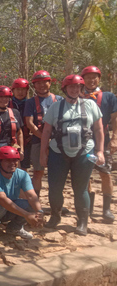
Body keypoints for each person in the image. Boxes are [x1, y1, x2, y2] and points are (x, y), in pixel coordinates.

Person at [41, 75, 105, 236]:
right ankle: (55, 216)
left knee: (81, 188)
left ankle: (82, 221)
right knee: (55, 189)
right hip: (58, 152)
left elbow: (98, 130)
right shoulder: (55, 107)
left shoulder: (90, 105)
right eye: (71, 87)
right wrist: (43, 153)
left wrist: (100, 151)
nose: (75, 89)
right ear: (65, 89)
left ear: (81, 88)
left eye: (78, 87)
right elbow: (46, 131)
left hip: (84, 153)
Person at [0, 146, 43, 241]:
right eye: (8, 161)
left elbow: (31, 196)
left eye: (15, 160)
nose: (12, 163)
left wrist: (39, 213)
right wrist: (26, 215)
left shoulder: (23, 175)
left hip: (8, 207)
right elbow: (2, 199)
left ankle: (14, 228)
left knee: (29, 204)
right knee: (0, 204)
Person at [81, 66, 116, 223]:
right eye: (88, 77)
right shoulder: (79, 96)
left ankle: (106, 209)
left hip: (104, 141)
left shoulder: (108, 97)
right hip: (84, 143)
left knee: (105, 172)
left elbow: (115, 119)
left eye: (94, 77)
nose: (91, 80)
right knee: (85, 174)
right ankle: (88, 207)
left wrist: (115, 139)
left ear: (99, 79)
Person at [23, 70, 63, 198]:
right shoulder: (30, 102)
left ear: (50, 83)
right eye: (38, 83)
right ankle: (36, 201)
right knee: (38, 171)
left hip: (59, 142)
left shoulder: (59, 100)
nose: (41, 85)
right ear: (34, 85)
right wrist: (44, 138)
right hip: (38, 141)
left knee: (57, 172)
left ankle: (57, 200)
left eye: (44, 82)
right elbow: (29, 123)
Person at [10, 78, 32, 171]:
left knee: (23, 166)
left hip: (27, 139)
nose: (20, 92)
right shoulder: (7, 103)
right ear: (13, 91)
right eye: (18, 89)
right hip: (11, 139)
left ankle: (22, 184)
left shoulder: (31, 104)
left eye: (23, 89)